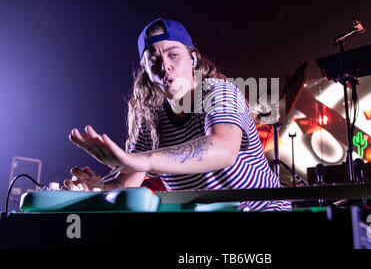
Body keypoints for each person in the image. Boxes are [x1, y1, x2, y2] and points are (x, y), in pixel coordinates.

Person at [63, 18, 291, 211]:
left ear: (193, 59)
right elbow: (128, 182)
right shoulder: (151, 118)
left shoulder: (219, 91)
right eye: (154, 59)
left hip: (265, 215)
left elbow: (224, 149)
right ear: (146, 71)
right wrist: (98, 186)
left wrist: (144, 160)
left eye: (173, 55)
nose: (165, 66)